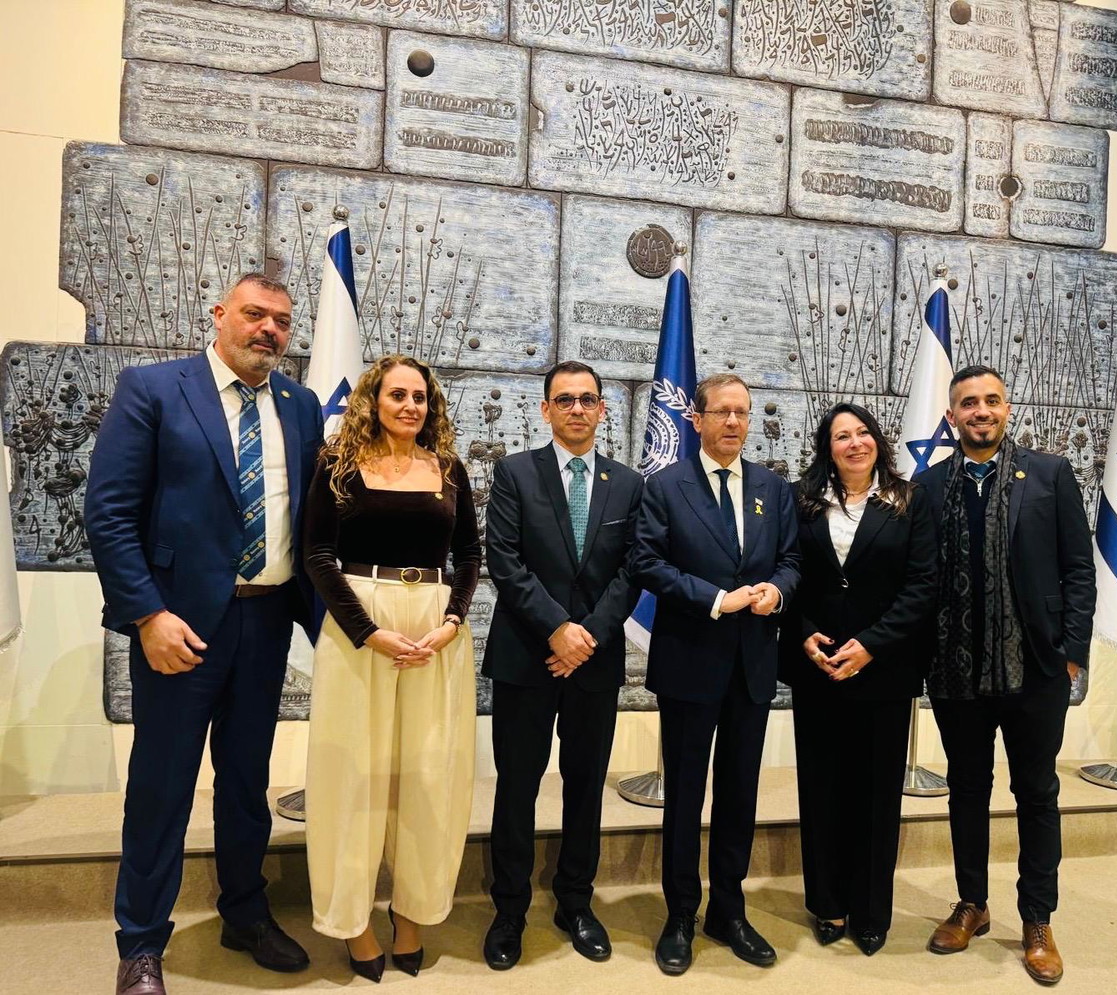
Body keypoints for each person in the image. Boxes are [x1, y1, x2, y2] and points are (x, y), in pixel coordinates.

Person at [85, 274, 324, 995]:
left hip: (267, 619)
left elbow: (312, 521)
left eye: (282, 321)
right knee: (161, 787)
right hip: (177, 627)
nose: (269, 330)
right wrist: (147, 615)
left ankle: (244, 914)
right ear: (220, 314)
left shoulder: (301, 406)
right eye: (255, 314)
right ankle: (140, 944)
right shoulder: (155, 389)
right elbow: (109, 512)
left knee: (247, 783)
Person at [302, 354, 481, 983]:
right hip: (360, 629)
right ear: (373, 401)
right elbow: (317, 554)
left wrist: (452, 622)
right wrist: (369, 632)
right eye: (397, 395)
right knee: (352, 776)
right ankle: (353, 922)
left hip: (435, 632)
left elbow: (469, 555)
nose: (410, 406)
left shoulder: (449, 469)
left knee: (428, 777)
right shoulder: (338, 465)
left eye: (419, 397)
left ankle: (413, 914)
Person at [915, 365, 1095, 985]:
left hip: (1036, 668)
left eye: (991, 400)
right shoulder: (927, 486)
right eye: (968, 403)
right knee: (967, 789)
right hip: (956, 670)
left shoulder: (1049, 474)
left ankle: (1037, 919)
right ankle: (972, 903)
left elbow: (1078, 567)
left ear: (1007, 408)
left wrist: (1071, 651)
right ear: (952, 416)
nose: (981, 411)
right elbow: (919, 580)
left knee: (1036, 793)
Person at [630, 372, 801, 975]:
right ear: (696, 420)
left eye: (743, 412)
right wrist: (717, 599)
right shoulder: (664, 486)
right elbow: (646, 561)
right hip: (689, 662)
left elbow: (792, 559)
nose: (734, 422)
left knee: (739, 791)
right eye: (722, 412)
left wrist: (777, 591)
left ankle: (728, 909)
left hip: (751, 665)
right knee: (684, 794)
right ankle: (680, 913)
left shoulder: (773, 488)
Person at [480, 360, 644, 969]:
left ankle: (575, 902)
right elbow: (504, 560)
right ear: (546, 409)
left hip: (594, 663)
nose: (578, 409)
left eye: (588, 399)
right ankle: (509, 910)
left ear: (602, 410)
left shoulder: (629, 484)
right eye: (565, 399)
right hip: (527, 656)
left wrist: (587, 636)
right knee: (517, 788)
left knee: (585, 787)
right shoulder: (514, 472)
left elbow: (633, 569)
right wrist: (556, 629)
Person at [778, 403, 937, 956]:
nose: (854, 443)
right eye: (841, 436)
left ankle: (871, 910)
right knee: (822, 788)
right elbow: (786, 574)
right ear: (828, 448)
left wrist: (871, 645)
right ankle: (827, 902)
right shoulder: (800, 500)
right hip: (818, 665)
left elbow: (922, 585)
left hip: (883, 669)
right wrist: (802, 632)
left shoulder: (909, 501)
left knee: (876, 795)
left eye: (862, 432)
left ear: (878, 441)